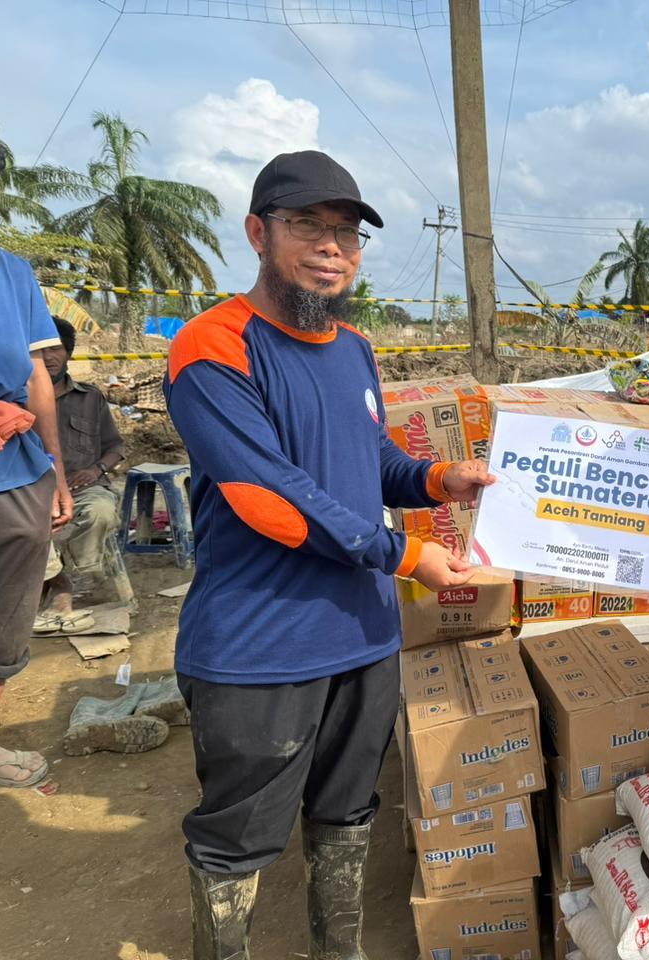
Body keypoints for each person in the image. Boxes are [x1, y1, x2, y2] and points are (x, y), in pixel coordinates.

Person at [164, 150, 494, 959]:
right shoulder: (211, 349)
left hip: (364, 637)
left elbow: (367, 457)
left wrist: (436, 478)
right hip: (260, 646)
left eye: (346, 233)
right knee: (237, 840)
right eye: (307, 225)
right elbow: (269, 497)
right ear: (257, 231)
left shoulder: (351, 347)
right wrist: (405, 555)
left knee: (346, 814)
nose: (331, 247)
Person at [0, 135, 73, 788]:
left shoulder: (10, 272)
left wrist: (56, 467)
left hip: (15, 465)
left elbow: (36, 373)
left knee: (6, 606)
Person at [33, 316, 133, 633]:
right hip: (35, 489)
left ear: (68, 353)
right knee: (21, 522)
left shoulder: (90, 398)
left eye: (56, 349)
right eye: (41, 349)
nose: (49, 357)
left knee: (102, 511)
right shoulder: (17, 399)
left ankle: (67, 577)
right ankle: (60, 582)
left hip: (84, 486)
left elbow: (116, 447)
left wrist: (95, 469)